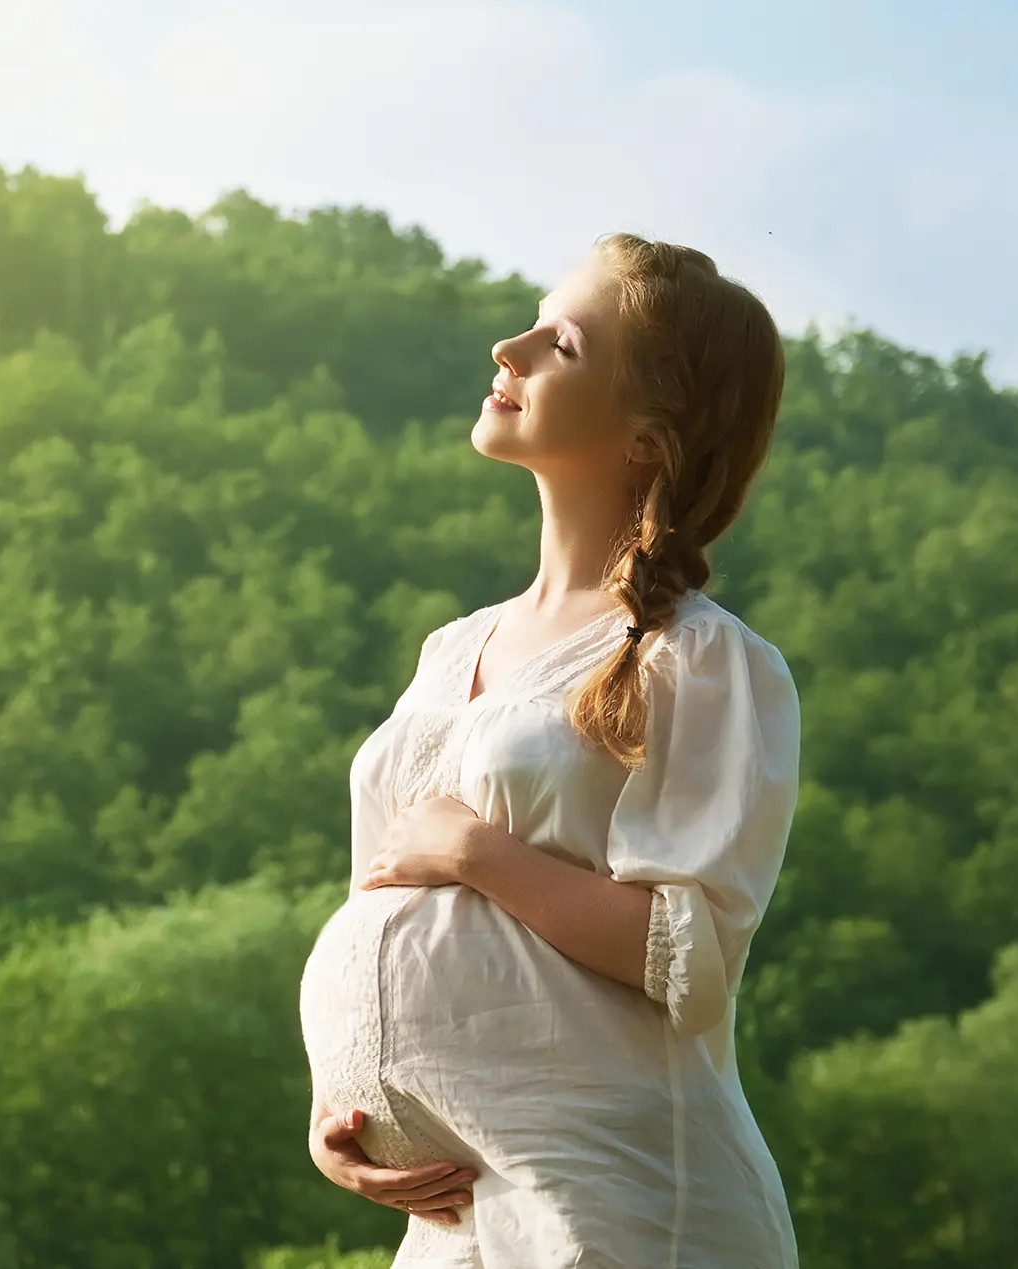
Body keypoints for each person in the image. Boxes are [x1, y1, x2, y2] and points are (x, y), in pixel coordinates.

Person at [297, 232, 803, 1268]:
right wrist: (336, 1111)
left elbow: (688, 961)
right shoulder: (449, 652)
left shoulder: (700, 661)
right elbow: (378, 899)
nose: (508, 346)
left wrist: (478, 853)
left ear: (648, 437)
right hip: (458, 1224)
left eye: (560, 343)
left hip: (623, 1213)